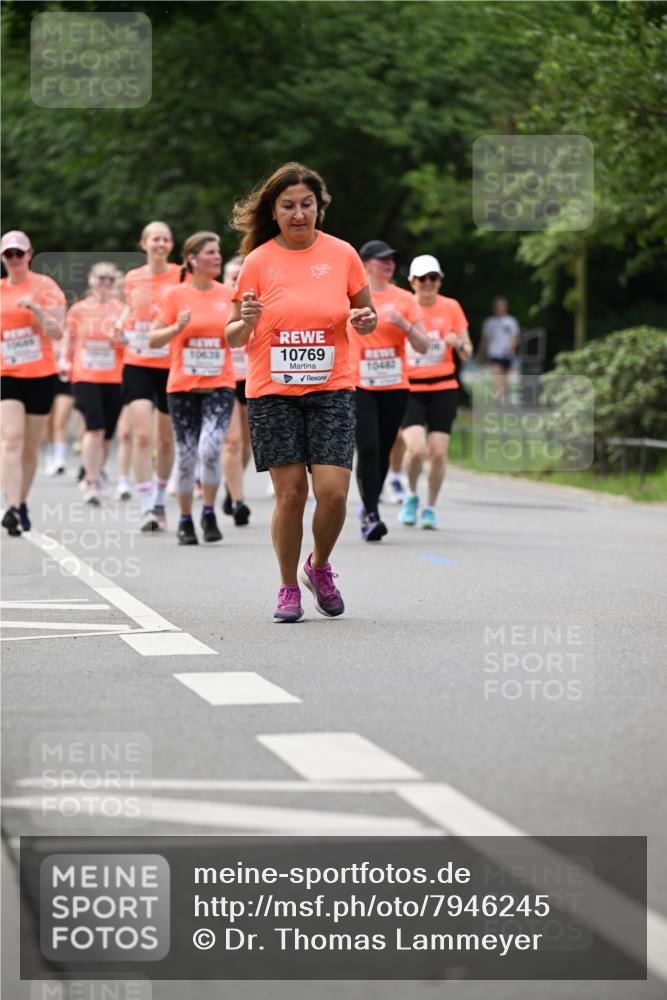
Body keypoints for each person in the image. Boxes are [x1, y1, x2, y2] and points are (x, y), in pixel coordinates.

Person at [226, 161, 376, 622]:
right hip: (273, 391)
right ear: (274, 211)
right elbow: (232, 336)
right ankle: (288, 586)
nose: (298, 214)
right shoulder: (258, 261)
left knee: (333, 493)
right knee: (290, 494)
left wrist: (365, 320)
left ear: (319, 208)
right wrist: (246, 322)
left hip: (332, 388)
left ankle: (319, 566)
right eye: (288, 205)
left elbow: (366, 315)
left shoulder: (343, 255)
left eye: (306, 204)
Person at [151, 231, 235, 545]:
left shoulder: (229, 294)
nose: (217, 257)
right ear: (192, 259)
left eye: (218, 251)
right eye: (210, 252)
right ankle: (185, 519)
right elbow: (153, 339)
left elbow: (242, 334)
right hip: (183, 386)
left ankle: (209, 511)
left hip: (219, 385)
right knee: (186, 457)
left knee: (209, 450)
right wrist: (176, 327)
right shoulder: (175, 295)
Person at [348, 240, 428, 541]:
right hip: (360, 384)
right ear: (365, 264)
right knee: (368, 446)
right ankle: (371, 513)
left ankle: (369, 506)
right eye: (382, 259)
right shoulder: (350, 297)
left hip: (394, 385)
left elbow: (424, 345)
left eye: (392, 259)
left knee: (383, 448)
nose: (389, 263)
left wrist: (406, 325)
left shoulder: (405, 299)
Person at [399, 254, 472, 530]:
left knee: (438, 453)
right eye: (422, 278)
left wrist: (458, 344)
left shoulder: (451, 307)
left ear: (440, 280)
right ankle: (411, 495)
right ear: (412, 282)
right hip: (410, 388)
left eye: (433, 278)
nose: (428, 283)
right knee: (416, 450)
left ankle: (430, 507)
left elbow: (468, 351)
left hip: (443, 387)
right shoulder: (404, 306)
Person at [1, 230, 65, 535]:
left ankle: (22, 501)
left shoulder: (45, 286)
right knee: (11, 438)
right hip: (7, 373)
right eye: (8, 254)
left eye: (19, 253)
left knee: (29, 446)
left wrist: (37, 310)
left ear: (29, 254)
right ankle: (12, 506)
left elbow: (57, 332)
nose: (14, 259)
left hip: (40, 374)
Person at [120, 221, 180, 531]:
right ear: (143, 244)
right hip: (138, 361)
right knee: (142, 435)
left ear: (171, 245)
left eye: (165, 239)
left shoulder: (181, 275)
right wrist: (119, 325)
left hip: (170, 364)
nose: (160, 244)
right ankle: (145, 504)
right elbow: (128, 310)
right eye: (155, 239)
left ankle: (159, 497)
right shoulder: (132, 278)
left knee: (165, 441)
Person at [61, 262, 126, 505]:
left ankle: (97, 472)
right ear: (91, 280)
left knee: (107, 434)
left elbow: (131, 341)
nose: (105, 282)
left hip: (115, 376)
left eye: (110, 278)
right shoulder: (79, 309)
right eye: (101, 278)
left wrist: (122, 339)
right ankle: (91, 481)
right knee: (94, 427)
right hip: (86, 375)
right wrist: (64, 360)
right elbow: (68, 337)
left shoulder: (122, 310)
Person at [221, 255, 252, 526]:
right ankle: (238, 499)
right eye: (232, 278)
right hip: (223, 379)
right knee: (232, 441)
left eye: (240, 278)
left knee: (247, 443)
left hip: (251, 377)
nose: (236, 282)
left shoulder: (255, 303)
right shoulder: (216, 303)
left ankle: (231, 484)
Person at [478, 296, 520, 402]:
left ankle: (503, 398)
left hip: (507, 354)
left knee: (505, 380)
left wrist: (511, 347)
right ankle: (498, 400)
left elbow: (515, 337)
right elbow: (485, 340)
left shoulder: (511, 322)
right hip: (494, 354)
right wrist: (481, 355)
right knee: (497, 377)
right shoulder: (489, 323)